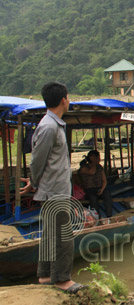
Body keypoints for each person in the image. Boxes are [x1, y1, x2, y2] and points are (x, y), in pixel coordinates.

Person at [19, 82, 85, 293]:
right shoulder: (49, 126)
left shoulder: (53, 124)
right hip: (55, 191)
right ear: (63, 99)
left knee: (50, 236)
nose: (69, 100)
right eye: (68, 97)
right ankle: (62, 280)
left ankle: (45, 275)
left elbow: (41, 161)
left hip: (53, 189)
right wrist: (35, 182)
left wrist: (36, 182)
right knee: (63, 236)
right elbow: (37, 160)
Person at [78, 150, 113, 219]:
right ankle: (97, 218)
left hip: (99, 188)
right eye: (97, 157)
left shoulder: (99, 167)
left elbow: (104, 180)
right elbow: (92, 172)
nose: (99, 159)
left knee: (107, 195)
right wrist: (94, 163)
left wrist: (102, 189)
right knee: (93, 199)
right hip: (89, 190)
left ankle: (109, 216)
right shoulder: (84, 168)